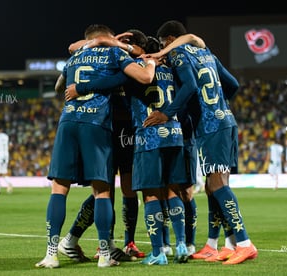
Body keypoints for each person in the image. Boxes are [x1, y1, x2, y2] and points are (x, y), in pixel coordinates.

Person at [35, 24, 156, 269]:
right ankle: (104, 254)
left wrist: (81, 83)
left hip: (68, 121)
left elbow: (59, 87)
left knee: (59, 187)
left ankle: (51, 254)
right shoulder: (115, 53)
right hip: (98, 123)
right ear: (109, 38)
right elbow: (144, 77)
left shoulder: (76, 55)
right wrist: (146, 63)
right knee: (103, 190)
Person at [143, 20, 258, 265]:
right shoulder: (207, 54)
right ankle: (218, 245)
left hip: (210, 126)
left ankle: (244, 243)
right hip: (226, 119)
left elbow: (191, 86)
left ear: (170, 39)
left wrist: (167, 112)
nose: (163, 50)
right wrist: (216, 103)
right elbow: (233, 85)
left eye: (164, 44)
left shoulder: (177, 53)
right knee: (213, 186)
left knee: (217, 185)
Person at [58, 29, 147, 262]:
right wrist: (109, 41)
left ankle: (126, 243)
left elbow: (134, 57)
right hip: (104, 125)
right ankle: (90, 241)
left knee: (127, 187)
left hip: (125, 127)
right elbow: (73, 46)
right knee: (103, 189)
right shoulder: (106, 56)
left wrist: (116, 43)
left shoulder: (130, 58)